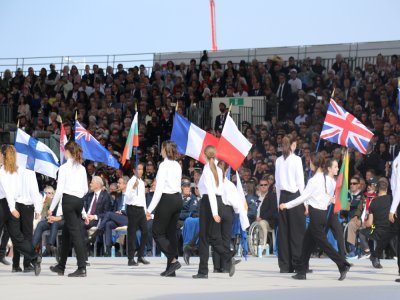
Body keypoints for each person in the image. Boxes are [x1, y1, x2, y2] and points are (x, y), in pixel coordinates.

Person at [280, 153, 351, 281]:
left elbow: (302, 197)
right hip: (323, 214)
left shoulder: (313, 180)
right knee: (306, 244)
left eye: (310, 162)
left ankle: (342, 264)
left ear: (314, 163)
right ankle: (301, 271)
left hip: (316, 216)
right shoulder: (327, 179)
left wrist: (286, 205)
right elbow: (330, 197)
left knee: (324, 244)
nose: (309, 164)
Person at [192, 146, 236, 279]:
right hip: (217, 201)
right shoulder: (217, 168)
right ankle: (228, 257)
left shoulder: (207, 169)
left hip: (208, 203)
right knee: (214, 237)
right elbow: (219, 191)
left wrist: (215, 212)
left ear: (205, 156)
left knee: (205, 238)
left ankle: (203, 271)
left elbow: (210, 192)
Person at [48, 141, 88, 277]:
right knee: (66, 233)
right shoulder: (82, 168)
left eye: (65, 151)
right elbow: (85, 189)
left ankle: (82, 267)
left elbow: (59, 191)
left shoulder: (64, 168)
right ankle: (61, 266)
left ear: (68, 152)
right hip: (79, 201)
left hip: (68, 201)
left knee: (75, 234)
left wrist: (51, 208)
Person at [0, 145, 41, 276]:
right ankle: (34, 257)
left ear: (3, 155)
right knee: (18, 238)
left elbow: (7, 191)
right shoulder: (14, 170)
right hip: (12, 205)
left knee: (18, 237)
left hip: (5, 206)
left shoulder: (3, 170)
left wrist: (12, 208)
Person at [146, 141, 182, 277]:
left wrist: (149, 210)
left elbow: (159, 190)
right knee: (170, 233)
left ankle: (173, 260)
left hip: (167, 199)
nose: (160, 151)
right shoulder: (177, 165)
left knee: (157, 232)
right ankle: (170, 269)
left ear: (165, 151)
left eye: (161, 149)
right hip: (178, 199)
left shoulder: (163, 165)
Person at [275, 134, 305, 273]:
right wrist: (305, 202)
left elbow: (278, 184)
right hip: (294, 197)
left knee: (284, 233)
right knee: (296, 232)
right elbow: (300, 183)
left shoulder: (278, 161)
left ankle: (285, 265)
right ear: (293, 145)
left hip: (283, 198)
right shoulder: (297, 160)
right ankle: (297, 263)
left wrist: (278, 202)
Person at [211, 160, 249, 273]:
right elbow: (236, 203)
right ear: (227, 170)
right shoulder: (230, 185)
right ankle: (225, 266)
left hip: (216, 210)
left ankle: (217, 266)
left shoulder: (213, 183)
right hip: (227, 211)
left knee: (216, 238)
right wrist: (238, 210)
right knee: (226, 238)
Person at [12, 168, 42, 272]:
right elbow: (34, 190)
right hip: (27, 206)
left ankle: (15, 265)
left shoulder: (14, 167)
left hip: (15, 204)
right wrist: (38, 209)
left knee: (17, 235)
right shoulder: (30, 170)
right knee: (28, 236)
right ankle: (27, 264)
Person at [125, 163, 150, 266]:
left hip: (140, 210)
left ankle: (140, 256)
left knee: (145, 231)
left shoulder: (142, 182)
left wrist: (146, 210)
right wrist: (132, 188)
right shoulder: (131, 181)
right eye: (138, 169)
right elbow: (127, 198)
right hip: (132, 208)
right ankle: (131, 258)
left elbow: (142, 199)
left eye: (142, 169)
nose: (140, 171)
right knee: (132, 233)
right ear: (134, 170)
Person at [325, 158, 346, 258]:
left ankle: (343, 258)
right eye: (335, 167)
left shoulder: (333, 180)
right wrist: (330, 199)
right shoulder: (325, 180)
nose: (337, 169)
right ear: (329, 168)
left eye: (338, 167)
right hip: (325, 212)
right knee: (317, 237)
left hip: (332, 213)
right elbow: (322, 194)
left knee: (339, 233)